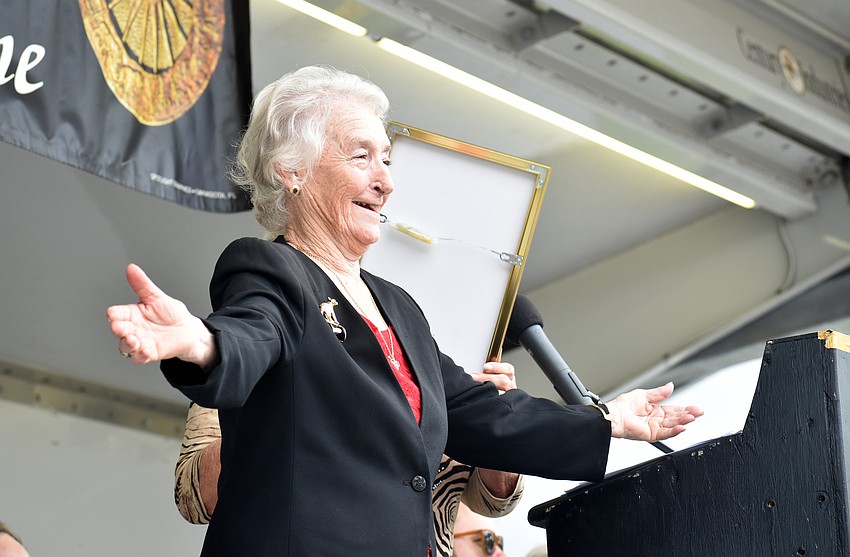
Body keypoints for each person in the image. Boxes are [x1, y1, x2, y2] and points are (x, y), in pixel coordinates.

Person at [107, 64, 702, 556]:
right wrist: (202, 344)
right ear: (292, 172)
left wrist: (607, 421)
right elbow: (253, 331)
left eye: (387, 160)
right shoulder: (271, 270)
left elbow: (478, 414)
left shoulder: (398, 308)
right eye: (361, 157)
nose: (386, 182)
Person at [174, 365, 525, 557]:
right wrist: (288, 402)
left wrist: (499, 417)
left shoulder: (442, 371)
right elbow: (194, 496)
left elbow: (497, 500)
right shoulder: (248, 337)